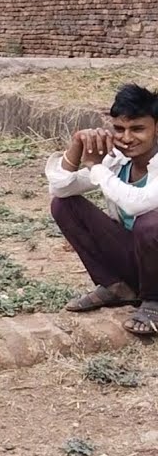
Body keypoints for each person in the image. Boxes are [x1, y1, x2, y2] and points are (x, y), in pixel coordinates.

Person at [49, 83, 158, 334]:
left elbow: (137, 203)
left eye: (138, 129)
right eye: (119, 129)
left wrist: (96, 167)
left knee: (150, 223)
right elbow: (60, 189)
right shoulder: (118, 160)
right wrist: (76, 147)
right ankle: (116, 286)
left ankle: (154, 302)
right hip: (139, 260)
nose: (127, 138)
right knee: (64, 206)